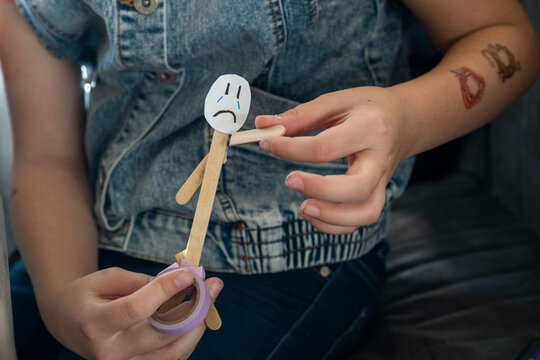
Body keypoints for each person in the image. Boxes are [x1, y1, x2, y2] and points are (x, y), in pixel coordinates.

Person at [1, 0, 539, 359]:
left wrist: (407, 118)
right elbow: (46, 155)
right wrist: (60, 300)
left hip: (292, 258)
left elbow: (508, 38)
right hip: (84, 241)